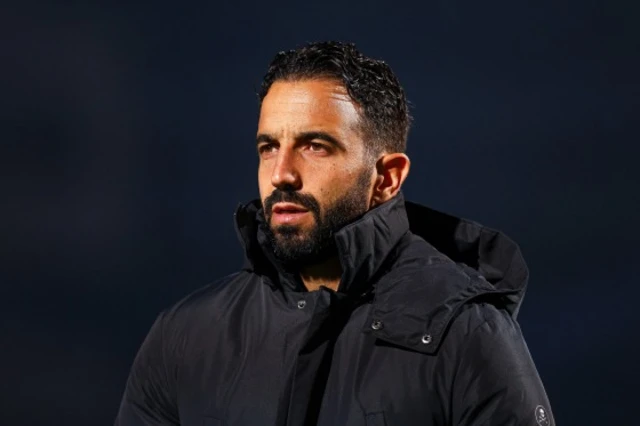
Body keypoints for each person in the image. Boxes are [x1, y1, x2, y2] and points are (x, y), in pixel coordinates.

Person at [115, 41, 554, 426]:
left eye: (315, 146)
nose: (281, 174)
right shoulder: (186, 337)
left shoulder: (467, 335)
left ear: (387, 178)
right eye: (269, 147)